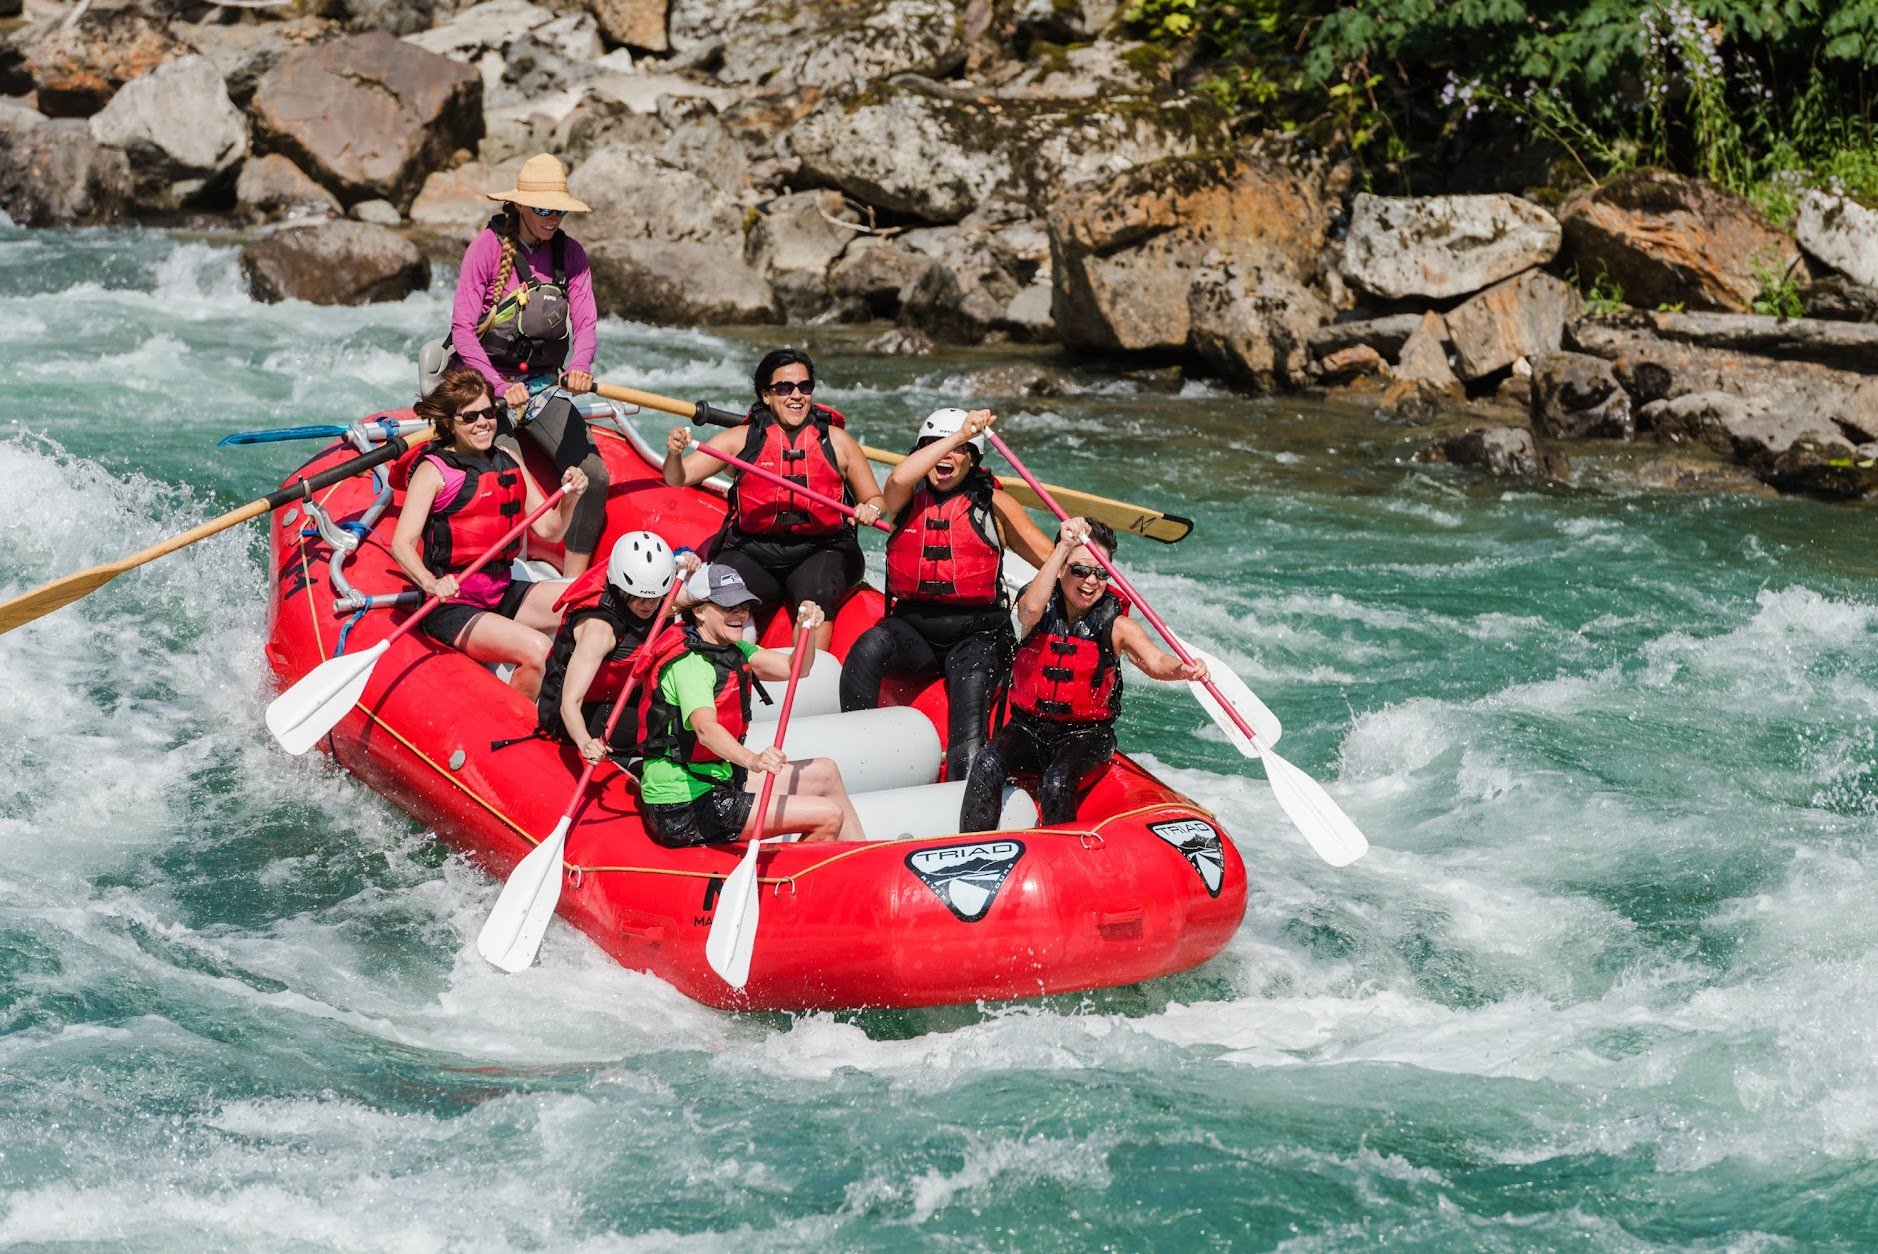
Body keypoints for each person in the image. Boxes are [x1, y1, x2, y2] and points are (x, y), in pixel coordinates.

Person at [838, 408, 1054, 780]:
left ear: (974, 459)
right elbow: (897, 476)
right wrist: (956, 438)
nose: (945, 456)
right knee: (867, 648)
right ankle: (857, 761)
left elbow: (1050, 560)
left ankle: (963, 792)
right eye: (932, 447)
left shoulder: (996, 506)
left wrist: (1075, 565)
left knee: (971, 691)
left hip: (979, 635)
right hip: (914, 631)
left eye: (958, 450)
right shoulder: (904, 496)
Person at [959, 519, 1207, 832]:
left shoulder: (1117, 626)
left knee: (1058, 780)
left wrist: (1182, 670)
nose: (1091, 580)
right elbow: (1029, 611)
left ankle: (1060, 858)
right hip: (1028, 728)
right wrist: (1063, 545)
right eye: (1079, 570)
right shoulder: (1037, 608)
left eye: (1101, 572)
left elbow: (1155, 662)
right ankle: (972, 847)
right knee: (987, 762)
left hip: (1086, 737)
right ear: (1061, 569)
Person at [450, 152, 610, 576]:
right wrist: (498, 390)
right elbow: (463, 330)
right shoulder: (485, 249)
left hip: (541, 386)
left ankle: (572, 584)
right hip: (485, 387)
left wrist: (581, 364)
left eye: (558, 209)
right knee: (509, 471)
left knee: (593, 474)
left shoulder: (571, 254)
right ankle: (511, 573)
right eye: (542, 209)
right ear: (519, 205)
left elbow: (587, 321)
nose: (552, 217)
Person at [661, 348, 884, 649]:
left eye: (805, 387)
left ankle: (805, 681)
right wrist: (674, 453)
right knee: (717, 592)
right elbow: (678, 477)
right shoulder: (741, 439)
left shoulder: (838, 442)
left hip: (823, 550)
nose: (796, 395)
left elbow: (876, 498)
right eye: (784, 388)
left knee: (816, 594)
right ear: (766, 395)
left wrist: (869, 508)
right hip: (754, 550)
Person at [390, 367, 588, 700]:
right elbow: (402, 543)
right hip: (452, 605)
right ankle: (519, 729)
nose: (483, 422)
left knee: (585, 605)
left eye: (488, 413)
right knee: (538, 650)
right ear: (450, 423)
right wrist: (431, 583)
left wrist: (570, 499)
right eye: (470, 417)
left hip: (501, 590)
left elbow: (550, 529)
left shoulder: (507, 459)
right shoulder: (434, 471)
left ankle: (575, 705)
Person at [637, 564, 865, 846]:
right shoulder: (691, 665)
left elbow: (796, 669)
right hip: (682, 804)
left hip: (717, 777)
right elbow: (706, 730)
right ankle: (803, 885)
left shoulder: (734, 651)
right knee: (829, 815)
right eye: (728, 605)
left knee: (826, 773)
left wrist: (804, 626)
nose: (740, 614)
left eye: (743, 605)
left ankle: (864, 857)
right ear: (698, 611)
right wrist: (753, 760)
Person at [535, 531, 702, 765]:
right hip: (582, 713)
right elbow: (570, 701)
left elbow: (702, 602)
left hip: (627, 694)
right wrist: (585, 742)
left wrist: (689, 562)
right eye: (640, 598)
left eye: (656, 597)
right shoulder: (599, 630)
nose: (649, 605)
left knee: (700, 721)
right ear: (621, 588)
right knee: (676, 732)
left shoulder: (658, 594)